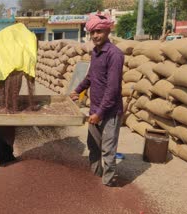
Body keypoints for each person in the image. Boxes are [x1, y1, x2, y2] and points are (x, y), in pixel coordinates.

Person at [70, 14, 124, 187]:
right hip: (95, 109)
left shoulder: (114, 55)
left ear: (108, 30)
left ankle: (107, 185)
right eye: (92, 32)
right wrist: (78, 90)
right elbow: (91, 77)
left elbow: (113, 89)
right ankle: (95, 178)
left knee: (108, 150)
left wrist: (99, 113)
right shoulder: (95, 52)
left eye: (98, 31)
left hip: (109, 112)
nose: (95, 36)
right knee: (93, 146)